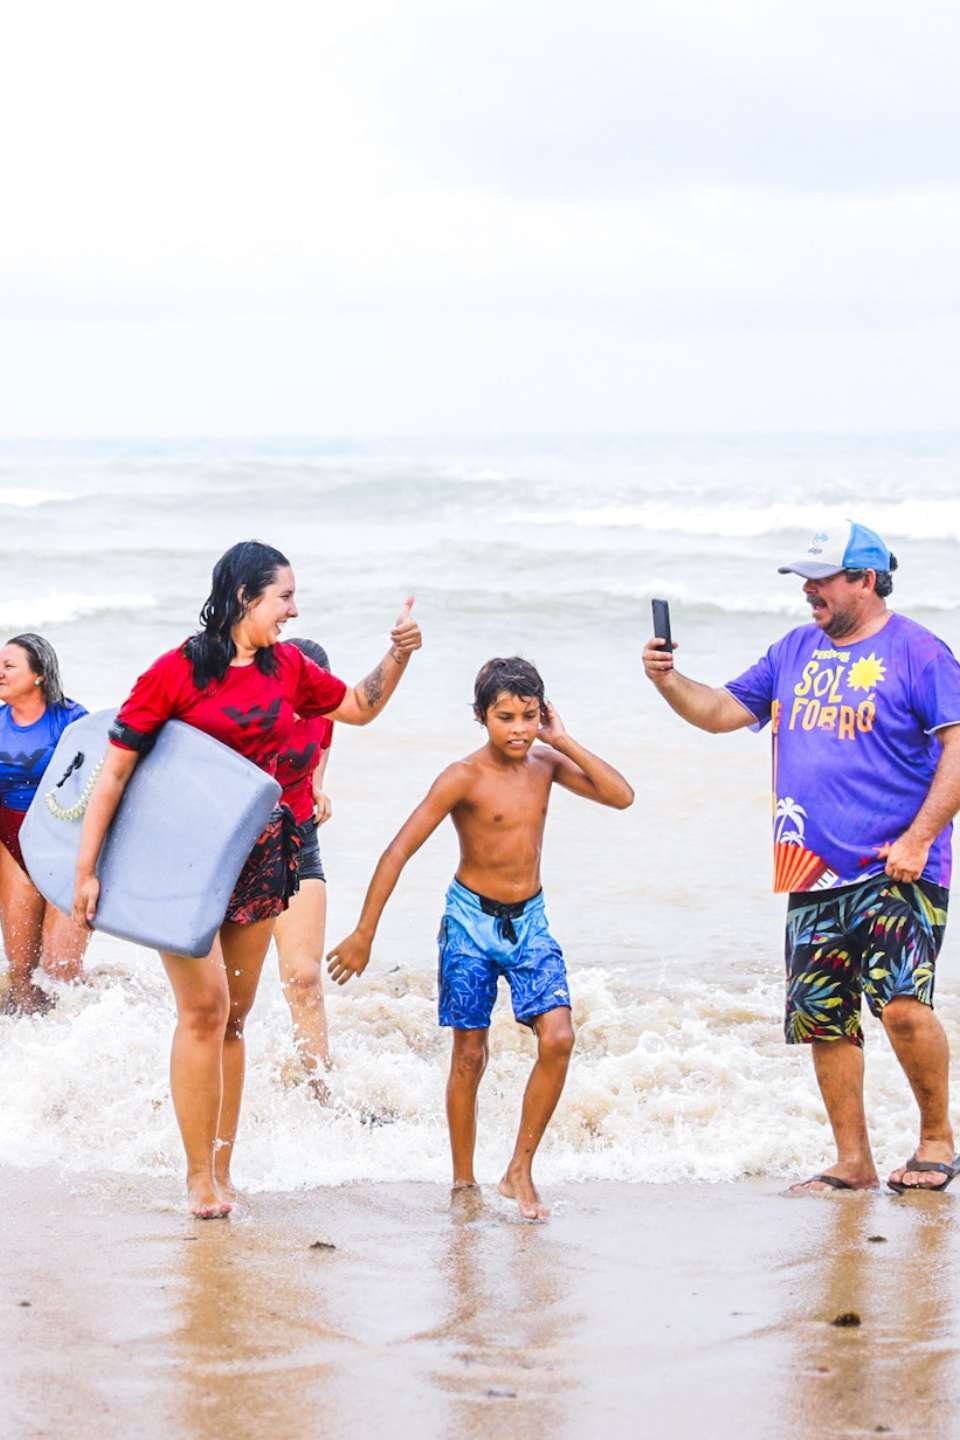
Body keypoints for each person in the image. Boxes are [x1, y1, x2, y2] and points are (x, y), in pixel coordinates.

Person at [71, 541, 422, 1218]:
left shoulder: (288, 667)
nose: (293, 611)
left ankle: (223, 1169)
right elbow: (114, 771)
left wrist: (398, 654)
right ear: (244, 597)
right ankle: (196, 1176)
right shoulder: (175, 672)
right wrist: (86, 870)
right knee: (203, 1010)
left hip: (261, 856)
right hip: (182, 862)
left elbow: (356, 706)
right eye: (284, 597)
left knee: (234, 1016)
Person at [642, 520, 960, 1194]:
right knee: (825, 1019)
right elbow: (720, 710)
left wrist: (920, 838)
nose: (809, 591)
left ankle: (936, 1140)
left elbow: (958, 746)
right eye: (804, 580)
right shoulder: (793, 650)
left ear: (865, 580)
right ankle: (854, 1161)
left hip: (897, 866)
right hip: (810, 869)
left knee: (902, 1006)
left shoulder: (919, 652)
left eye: (822, 579)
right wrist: (667, 681)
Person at [326, 656, 634, 1220]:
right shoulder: (462, 777)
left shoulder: (546, 762)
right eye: (505, 717)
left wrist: (563, 739)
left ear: (543, 714)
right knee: (469, 1054)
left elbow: (621, 796)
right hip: (468, 923)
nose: (518, 729)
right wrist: (364, 933)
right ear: (481, 716)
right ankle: (463, 1180)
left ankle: (520, 1169)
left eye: (529, 716)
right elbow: (398, 850)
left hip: (530, 921)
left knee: (559, 1037)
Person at [0, 633, 90, 1014]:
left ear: (38, 674)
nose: (0, 673)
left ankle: (79, 1037)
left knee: (60, 970)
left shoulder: (72, 721)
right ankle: (26, 1045)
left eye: (8, 666)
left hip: (65, 847)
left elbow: (105, 783)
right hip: (12, 846)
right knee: (21, 970)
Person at [273, 636, 335, 1095]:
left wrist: (316, 785)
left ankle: (320, 1090)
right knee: (222, 990)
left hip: (298, 839)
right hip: (236, 849)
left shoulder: (324, 715)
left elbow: (321, 748)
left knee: (305, 976)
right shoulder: (246, 716)